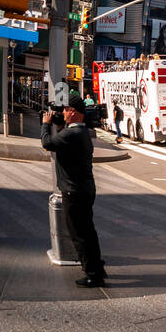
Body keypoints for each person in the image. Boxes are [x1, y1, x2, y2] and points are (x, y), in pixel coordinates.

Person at [42, 93, 106, 288]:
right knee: (88, 231)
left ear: (72, 112)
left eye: (65, 110)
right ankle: (98, 267)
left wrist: (45, 124)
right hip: (85, 189)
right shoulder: (83, 131)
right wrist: (60, 126)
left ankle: (92, 274)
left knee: (79, 234)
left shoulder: (72, 134)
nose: (63, 113)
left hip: (74, 191)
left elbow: (47, 143)